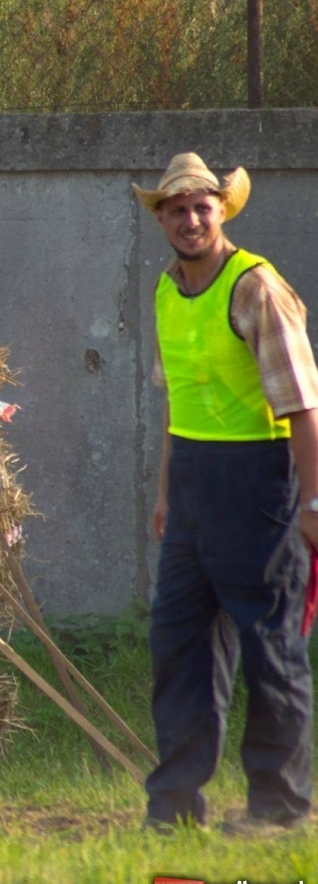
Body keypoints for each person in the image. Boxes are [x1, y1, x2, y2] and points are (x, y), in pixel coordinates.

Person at [136, 152, 318, 832]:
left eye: (201, 207)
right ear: (160, 218)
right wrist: (163, 495)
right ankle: (175, 804)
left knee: (270, 645)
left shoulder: (255, 287)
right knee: (178, 645)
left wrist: (313, 504)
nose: (190, 219)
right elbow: (176, 402)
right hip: (191, 490)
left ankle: (279, 805)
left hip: (260, 486)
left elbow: (303, 404)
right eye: (176, 209)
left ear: (222, 210)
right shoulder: (163, 291)